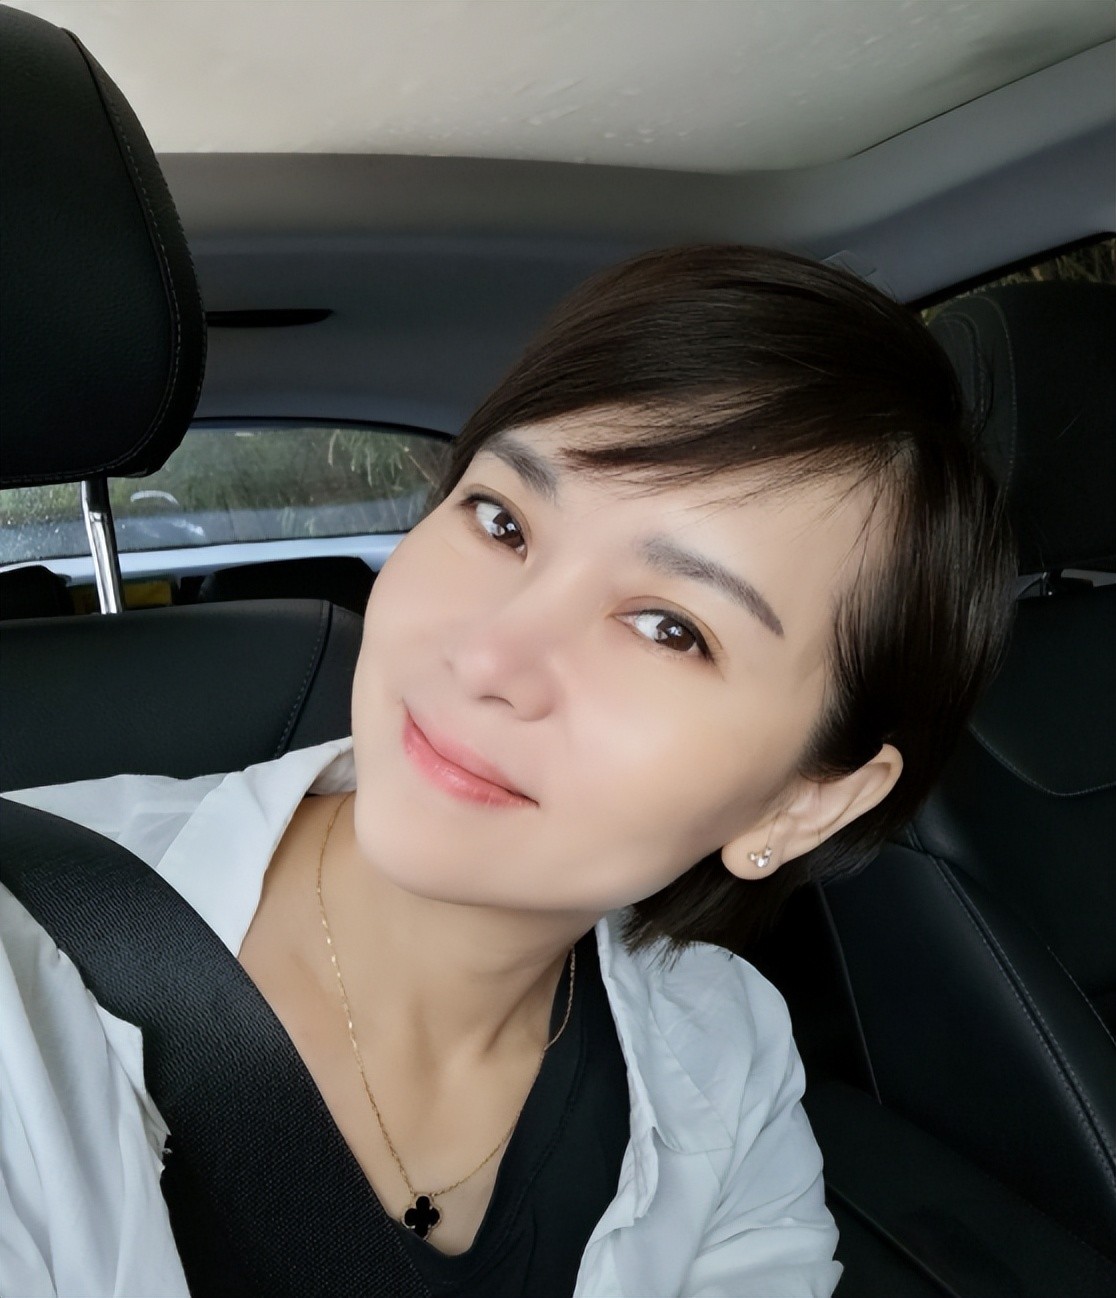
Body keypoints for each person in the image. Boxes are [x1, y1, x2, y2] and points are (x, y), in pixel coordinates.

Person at [1, 245, 1014, 1298]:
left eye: (670, 628)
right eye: (502, 521)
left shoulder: (725, 1046)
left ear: (806, 804)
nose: (487, 657)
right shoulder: (24, 971)